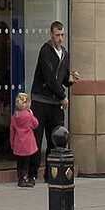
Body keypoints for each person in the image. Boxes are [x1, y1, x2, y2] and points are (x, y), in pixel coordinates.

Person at [30, 19, 72, 178]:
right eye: (57, 35)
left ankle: (51, 173)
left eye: (62, 35)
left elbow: (63, 79)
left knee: (55, 139)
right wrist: (63, 96)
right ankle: (32, 174)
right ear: (51, 35)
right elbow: (49, 77)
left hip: (55, 103)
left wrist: (72, 79)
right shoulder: (45, 51)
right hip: (41, 100)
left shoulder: (65, 54)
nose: (60, 38)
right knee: (37, 138)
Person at [10, 91, 41, 188]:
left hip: (18, 142)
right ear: (27, 104)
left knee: (20, 163)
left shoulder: (15, 117)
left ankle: (20, 178)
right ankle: (25, 178)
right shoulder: (28, 116)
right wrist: (32, 114)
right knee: (27, 162)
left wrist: (12, 143)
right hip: (28, 143)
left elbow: (12, 131)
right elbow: (36, 124)